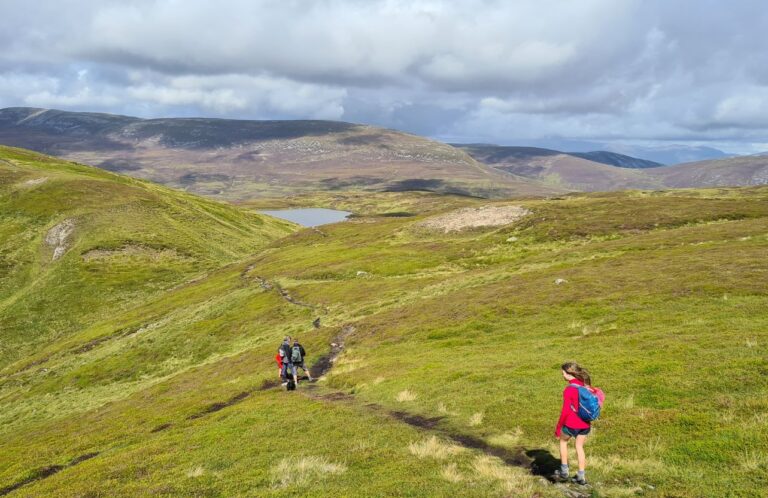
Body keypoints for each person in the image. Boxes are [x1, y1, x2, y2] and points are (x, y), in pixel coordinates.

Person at [554, 361, 601, 486]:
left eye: (563, 373)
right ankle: (581, 476)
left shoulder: (569, 389)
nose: (562, 375)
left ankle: (564, 471)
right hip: (585, 425)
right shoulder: (585, 386)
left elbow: (565, 412)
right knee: (579, 447)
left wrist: (558, 428)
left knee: (563, 442)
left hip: (571, 424)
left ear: (569, 374)